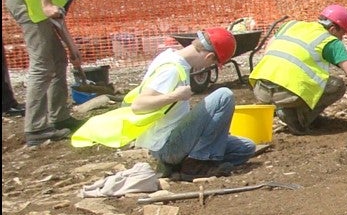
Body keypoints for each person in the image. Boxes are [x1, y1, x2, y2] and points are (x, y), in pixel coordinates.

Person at [70, 27, 258, 178]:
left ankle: (185, 163)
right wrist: (174, 96)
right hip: (167, 146)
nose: (209, 68)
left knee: (245, 148)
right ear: (209, 57)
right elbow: (139, 105)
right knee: (223, 95)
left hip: (174, 140)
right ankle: (196, 165)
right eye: (212, 64)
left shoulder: (170, 57)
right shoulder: (172, 69)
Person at [3, 0, 119, 146]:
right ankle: (36, 129)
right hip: (26, 0)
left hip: (33, 4)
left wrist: (72, 49)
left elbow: (59, 17)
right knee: (42, 65)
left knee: (59, 60)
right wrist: (47, 5)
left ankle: (59, 118)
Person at [249, 3, 347, 133]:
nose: (341, 38)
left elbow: (268, 50)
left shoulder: (290, 25)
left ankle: (280, 107)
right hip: (287, 94)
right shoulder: (330, 41)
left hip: (260, 89)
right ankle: (297, 118)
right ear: (332, 29)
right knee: (337, 86)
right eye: (342, 34)